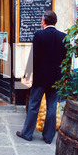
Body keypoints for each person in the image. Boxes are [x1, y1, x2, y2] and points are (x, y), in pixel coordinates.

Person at [16, 11, 67, 144]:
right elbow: (66, 60)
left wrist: (27, 75)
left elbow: (34, 56)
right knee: (52, 106)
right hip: (56, 78)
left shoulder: (39, 35)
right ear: (54, 22)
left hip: (40, 77)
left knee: (33, 105)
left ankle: (27, 133)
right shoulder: (63, 37)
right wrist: (65, 76)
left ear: (44, 21)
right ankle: (49, 137)